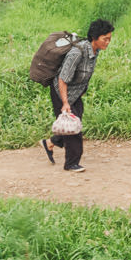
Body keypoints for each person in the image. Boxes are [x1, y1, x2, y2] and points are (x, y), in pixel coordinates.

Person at [41, 19, 113, 173]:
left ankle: (50, 143)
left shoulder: (95, 51)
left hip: (76, 93)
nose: (107, 42)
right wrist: (65, 103)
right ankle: (71, 163)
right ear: (94, 37)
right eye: (105, 39)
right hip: (61, 92)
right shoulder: (77, 53)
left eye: (109, 39)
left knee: (74, 123)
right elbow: (62, 78)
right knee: (74, 131)